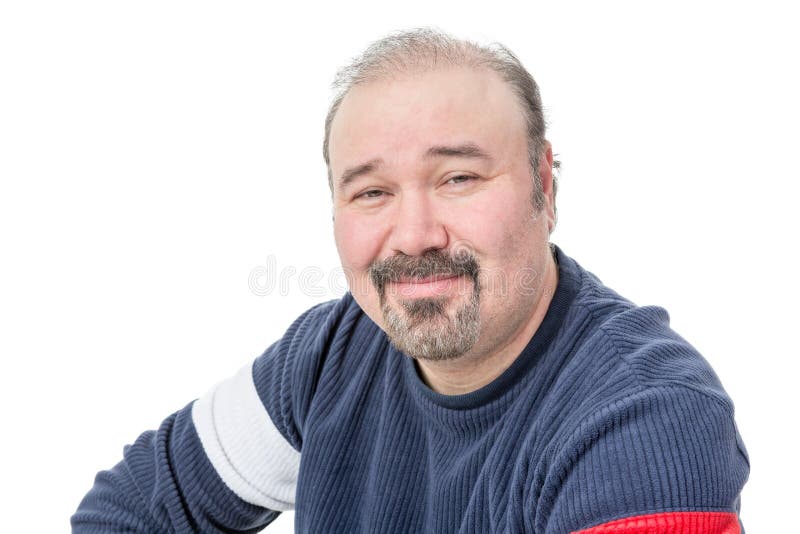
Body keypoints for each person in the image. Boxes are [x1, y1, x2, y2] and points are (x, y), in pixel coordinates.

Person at [72, 28, 749, 533]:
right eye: (371, 192)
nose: (415, 234)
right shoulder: (331, 354)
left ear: (544, 185)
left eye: (458, 178)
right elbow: (126, 512)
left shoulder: (647, 417)